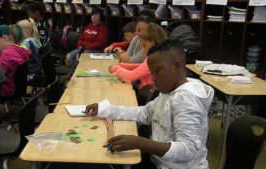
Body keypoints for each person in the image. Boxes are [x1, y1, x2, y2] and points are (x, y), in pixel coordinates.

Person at [84, 40, 214, 169]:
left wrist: (139, 142)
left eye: (157, 71)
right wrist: (104, 109)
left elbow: (188, 150)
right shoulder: (169, 91)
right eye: (151, 73)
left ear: (177, 66)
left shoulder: (186, 99)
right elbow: (145, 113)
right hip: (159, 161)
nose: (153, 78)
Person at [108, 23, 166, 91]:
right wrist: (122, 65)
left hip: (144, 93)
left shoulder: (154, 59)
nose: (143, 50)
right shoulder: (157, 56)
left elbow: (131, 76)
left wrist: (114, 68)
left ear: (154, 42)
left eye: (144, 46)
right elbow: (141, 66)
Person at [0, 24, 30, 98]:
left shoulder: (6, 55)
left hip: (6, 90)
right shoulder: (19, 50)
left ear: (4, 38)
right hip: (18, 88)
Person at [18, 18, 44, 83]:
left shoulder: (26, 43)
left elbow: (19, 56)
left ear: (25, 31)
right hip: (38, 71)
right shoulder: (35, 40)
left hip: (31, 74)